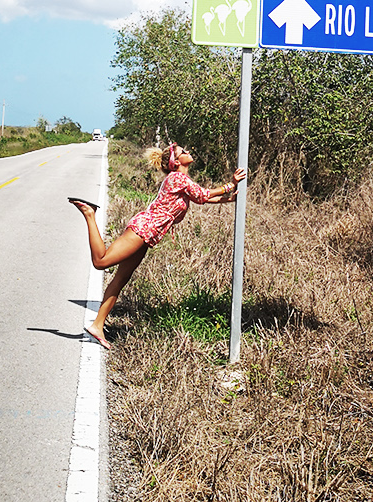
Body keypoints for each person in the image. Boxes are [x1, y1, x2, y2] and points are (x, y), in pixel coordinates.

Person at [67, 142, 245, 349]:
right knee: (101, 261)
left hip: (149, 234)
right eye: (183, 152)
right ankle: (90, 214)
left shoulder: (182, 180)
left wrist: (228, 199)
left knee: (121, 278)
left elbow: (199, 199)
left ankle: (97, 326)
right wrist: (230, 185)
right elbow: (204, 195)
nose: (189, 152)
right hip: (144, 228)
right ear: (176, 162)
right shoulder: (177, 177)